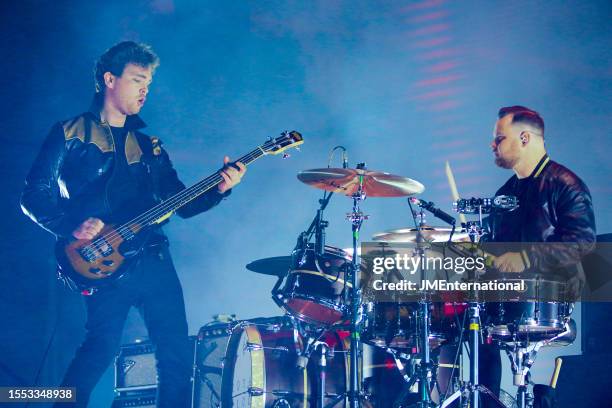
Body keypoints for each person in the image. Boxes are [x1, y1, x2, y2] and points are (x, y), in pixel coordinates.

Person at [20, 41, 246, 408]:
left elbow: (182, 203)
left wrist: (220, 189)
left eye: (149, 83)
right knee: (99, 347)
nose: (145, 90)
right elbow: (34, 195)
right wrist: (71, 226)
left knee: (175, 353)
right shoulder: (70, 133)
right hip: (100, 259)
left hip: (153, 257)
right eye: (138, 80)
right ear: (110, 79)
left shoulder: (150, 145)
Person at [479, 105, 596, 405]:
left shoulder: (565, 185)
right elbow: (494, 250)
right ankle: (483, 399)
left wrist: (527, 258)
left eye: (499, 139)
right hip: (510, 297)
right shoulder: (505, 193)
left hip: (551, 300)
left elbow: (583, 241)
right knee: (468, 316)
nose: (492, 145)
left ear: (525, 138)